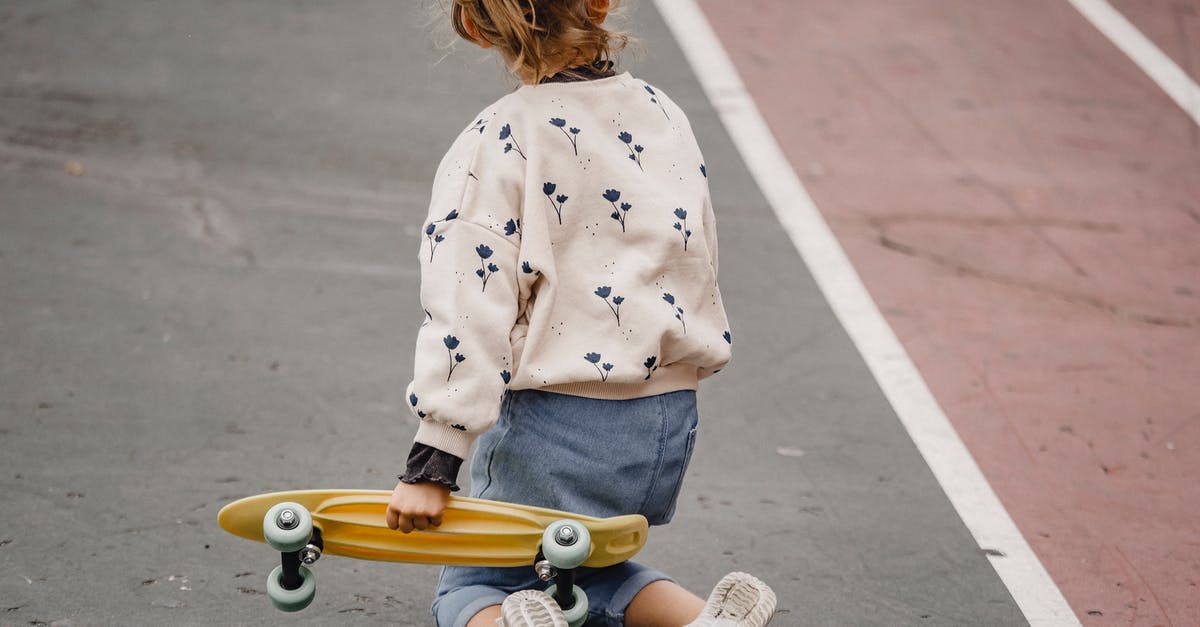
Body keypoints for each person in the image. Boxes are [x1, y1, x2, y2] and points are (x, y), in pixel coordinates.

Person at [385, 1, 776, 625]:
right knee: (591, 564)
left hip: (558, 425)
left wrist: (434, 459)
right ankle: (707, 621)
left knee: (478, 584)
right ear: (600, 4)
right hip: (663, 425)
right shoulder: (662, 114)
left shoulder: (499, 137)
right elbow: (694, 250)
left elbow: (468, 308)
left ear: (473, 23)